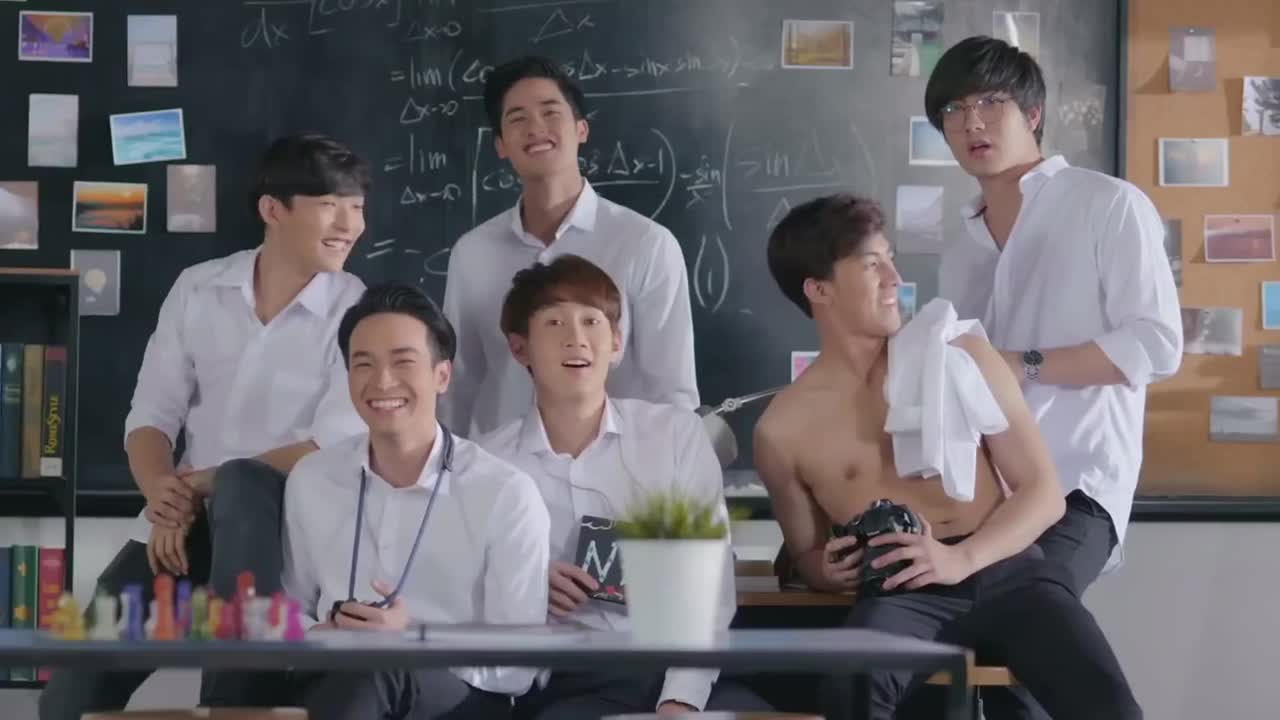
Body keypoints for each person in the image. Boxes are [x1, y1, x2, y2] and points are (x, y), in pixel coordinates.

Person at [754, 194, 1143, 720]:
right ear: (818, 289)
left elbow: (1043, 494)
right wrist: (826, 571)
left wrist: (961, 558)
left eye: (891, 259)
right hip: (902, 592)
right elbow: (805, 552)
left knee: (1111, 708)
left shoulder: (960, 355)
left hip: (1009, 573)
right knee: (851, 693)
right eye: (871, 265)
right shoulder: (781, 429)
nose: (894, 279)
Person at [39, 133, 371, 720]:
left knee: (242, 482)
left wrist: (193, 487)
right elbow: (150, 416)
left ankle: (230, 702)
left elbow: (328, 444)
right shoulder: (199, 287)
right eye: (330, 205)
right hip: (182, 527)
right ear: (273, 210)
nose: (351, 224)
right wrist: (163, 496)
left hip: (282, 533)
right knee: (69, 699)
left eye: (358, 207)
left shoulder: (355, 309)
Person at [928, 36, 1182, 599]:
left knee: (1031, 610)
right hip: (985, 497)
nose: (972, 122)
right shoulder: (960, 249)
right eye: (953, 109)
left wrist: (1020, 364)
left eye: (991, 102)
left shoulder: (1107, 204)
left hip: (1079, 486)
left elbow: (1156, 345)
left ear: (1033, 114)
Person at [479, 255, 769, 719]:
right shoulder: (488, 463)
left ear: (616, 341)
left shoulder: (675, 436)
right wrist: (524, 586)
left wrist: (680, 699)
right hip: (559, 681)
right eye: (554, 322)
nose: (576, 337)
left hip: (675, 667)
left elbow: (708, 584)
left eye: (592, 321)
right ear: (520, 348)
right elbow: (460, 589)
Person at [280, 283, 551, 720]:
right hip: (335, 680)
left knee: (381, 668)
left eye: (402, 362)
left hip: (460, 700)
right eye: (363, 364)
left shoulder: (505, 494)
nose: (382, 381)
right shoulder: (313, 479)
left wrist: (413, 642)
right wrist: (322, 634)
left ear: (442, 375)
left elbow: (520, 663)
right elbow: (290, 614)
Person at [442, 55, 699, 439]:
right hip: (499, 463)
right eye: (517, 118)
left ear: (581, 129)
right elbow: (457, 383)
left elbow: (671, 391)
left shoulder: (645, 244)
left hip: (616, 464)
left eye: (550, 113)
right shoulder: (473, 252)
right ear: (500, 145)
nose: (536, 128)